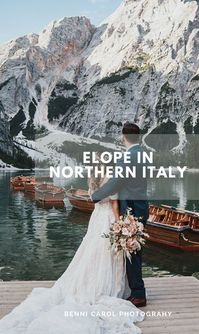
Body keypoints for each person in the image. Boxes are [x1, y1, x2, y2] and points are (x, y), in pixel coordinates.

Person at [0, 139, 145, 334]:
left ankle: (91, 283)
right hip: (109, 218)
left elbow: (96, 196)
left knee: (94, 251)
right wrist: (121, 222)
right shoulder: (112, 174)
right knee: (109, 253)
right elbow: (114, 202)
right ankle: (113, 287)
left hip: (97, 219)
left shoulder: (94, 176)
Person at [91, 122, 149, 308]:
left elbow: (116, 182)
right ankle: (135, 290)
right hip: (141, 206)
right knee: (135, 249)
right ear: (138, 137)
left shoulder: (129, 156)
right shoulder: (143, 154)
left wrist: (95, 195)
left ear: (124, 137)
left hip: (131, 209)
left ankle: (138, 294)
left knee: (132, 250)